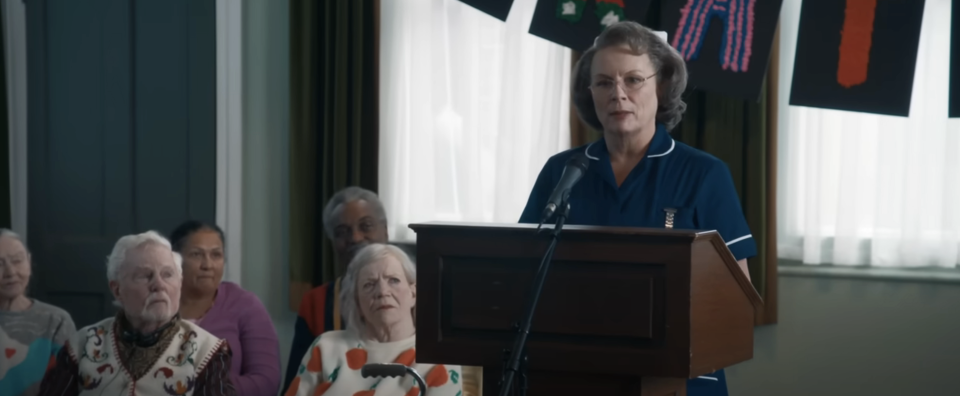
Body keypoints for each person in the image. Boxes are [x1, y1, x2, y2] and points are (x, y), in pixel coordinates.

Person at [518, 21, 755, 396]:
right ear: (590, 92)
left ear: (661, 86)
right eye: (604, 82)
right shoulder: (562, 171)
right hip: (575, 374)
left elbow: (738, 302)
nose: (618, 94)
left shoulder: (705, 174)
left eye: (633, 80)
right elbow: (523, 274)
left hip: (678, 377)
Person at [37, 231, 235, 395]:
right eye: (144, 276)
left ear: (179, 283)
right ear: (117, 289)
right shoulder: (80, 346)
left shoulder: (207, 351)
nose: (159, 285)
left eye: (167, 274)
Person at [285, 244, 462, 396]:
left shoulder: (437, 358)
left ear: (413, 293)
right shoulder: (325, 347)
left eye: (393, 280)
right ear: (357, 301)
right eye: (369, 285)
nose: (382, 292)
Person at [282, 186, 389, 393]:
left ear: (385, 230)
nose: (356, 238)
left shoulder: (418, 295)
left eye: (366, 226)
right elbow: (295, 384)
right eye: (342, 232)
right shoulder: (316, 302)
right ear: (333, 243)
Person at [169, 220, 281, 396]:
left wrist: (203, 387)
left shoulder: (245, 305)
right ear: (175, 261)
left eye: (216, 255)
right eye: (197, 255)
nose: (208, 265)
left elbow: (266, 382)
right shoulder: (158, 305)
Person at [0, 229, 76, 396]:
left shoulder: (56, 321)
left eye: (17, 261)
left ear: (29, 261)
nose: (10, 273)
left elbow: (67, 386)